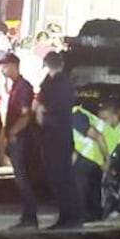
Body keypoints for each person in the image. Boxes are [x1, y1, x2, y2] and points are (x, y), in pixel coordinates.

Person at [35, 50, 83, 229]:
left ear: (47, 65)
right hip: (65, 135)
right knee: (67, 178)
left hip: (53, 135)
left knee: (58, 179)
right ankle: (74, 216)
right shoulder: (67, 84)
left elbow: (39, 108)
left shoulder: (50, 85)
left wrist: (41, 115)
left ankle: (66, 217)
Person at [0, 52, 38, 230]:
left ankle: (30, 218)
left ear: (14, 65)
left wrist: (12, 133)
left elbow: (25, 116)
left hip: (20, 140)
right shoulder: (16, 86)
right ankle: (28, 217)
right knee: (21, 179)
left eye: (5, 65)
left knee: (23, 179)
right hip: (17, 139)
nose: (3, 69)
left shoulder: (23, 88)